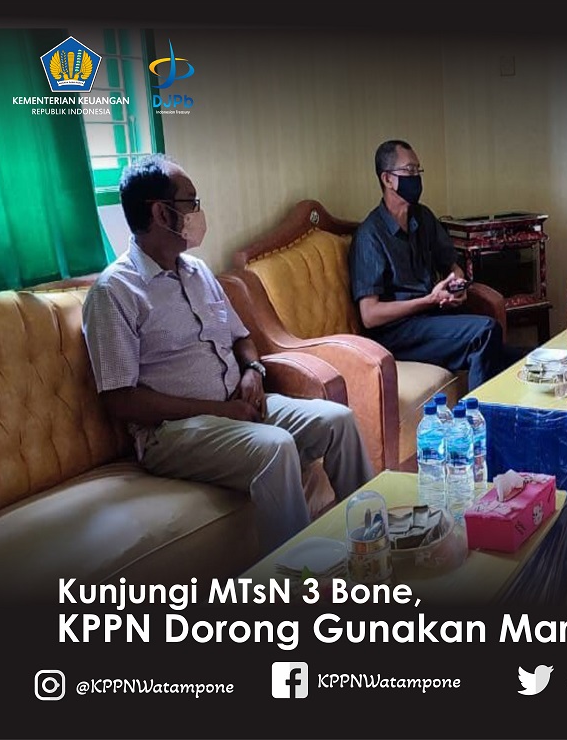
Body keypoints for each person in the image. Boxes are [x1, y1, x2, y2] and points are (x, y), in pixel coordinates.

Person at [82, 155, 373, 552]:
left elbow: (241, 337)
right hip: (173, 432)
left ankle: (372, 543)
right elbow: (121, 400)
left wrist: (252, 370)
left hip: (238, 405)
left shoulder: (198, 271)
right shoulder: (114, 292)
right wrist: (219, 412)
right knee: (275, 447)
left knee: (338, 421)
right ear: (161, 213)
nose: (198, 212)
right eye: (190, 202)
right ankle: (295, 574)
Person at [350, 140, 504, 391]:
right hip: (396, 332)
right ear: (388, 179)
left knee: (513, 355)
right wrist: (428, 300)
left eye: (418, 171)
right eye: (409, 170)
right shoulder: (370, 235)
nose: (416, 178)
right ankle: (480, 415)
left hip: (431, 316)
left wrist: (456, 284)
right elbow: (370, 315)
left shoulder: (422, 217)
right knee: (484, 332)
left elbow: (451, 265)